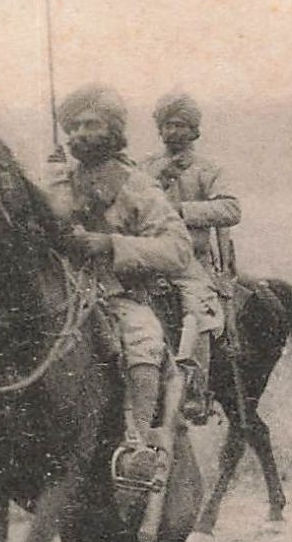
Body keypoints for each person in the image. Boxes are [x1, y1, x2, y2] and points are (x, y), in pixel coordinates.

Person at [44, 83, 218, 486]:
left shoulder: (136, 184)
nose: (81, 134)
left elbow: (176, 250)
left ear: (113, 130)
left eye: (92, 124)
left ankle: (137, 445)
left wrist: (111, 244)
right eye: (75, 126)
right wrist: (51, 187)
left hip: (115, 296)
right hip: (58, 297)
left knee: (145, 340)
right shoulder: (58, 178)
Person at [140, 91, 239, 422]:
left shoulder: (207, 169)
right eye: (167, 125)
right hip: (147, 255)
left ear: (195, 130)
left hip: (188, 262)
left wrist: (181, 210)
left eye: (181, 125)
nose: (173, 132)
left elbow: (230, 208)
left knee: (197, 306)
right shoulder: (145, 167)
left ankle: (194, 390)